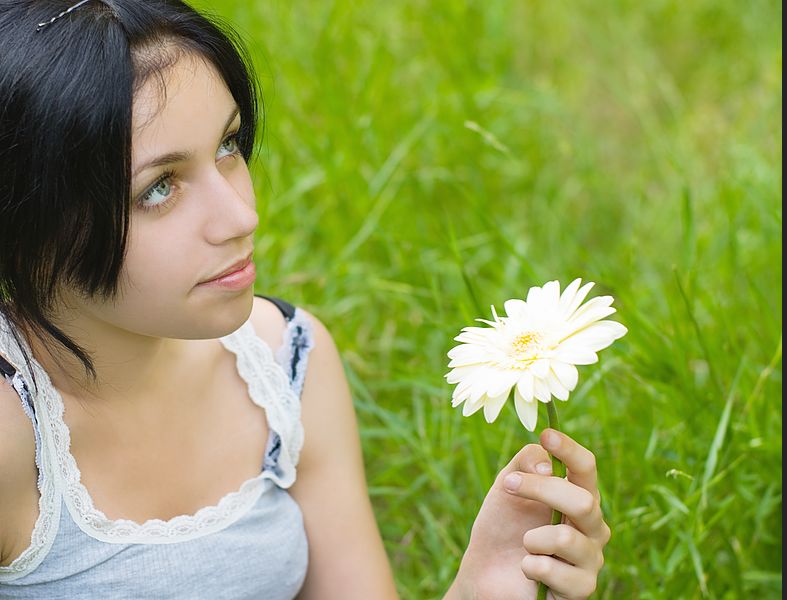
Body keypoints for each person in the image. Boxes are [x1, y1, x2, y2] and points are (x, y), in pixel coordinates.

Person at [0, 1, 611, 598]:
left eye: (228, 146)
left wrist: (487, 586)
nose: (241, 215)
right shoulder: (12, 435)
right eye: (159, 188)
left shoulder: (286, 363)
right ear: (27, 225)